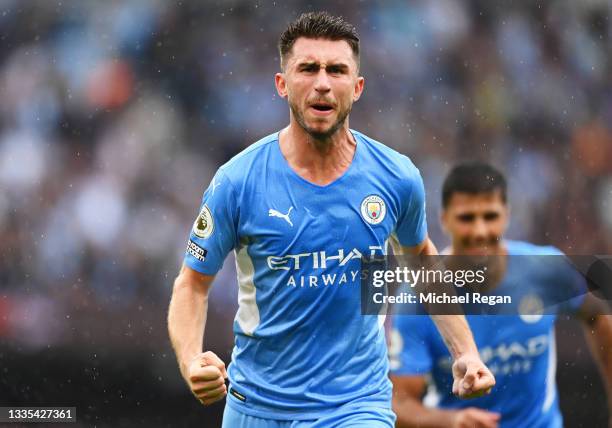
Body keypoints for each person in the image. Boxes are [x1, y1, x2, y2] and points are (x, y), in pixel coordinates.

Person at [168, 12, 494, 428]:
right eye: (308, 68)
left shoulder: (396, 177)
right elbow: (192, 283)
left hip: (356, 406)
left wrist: (465, 352)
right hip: (257, 405)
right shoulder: (237, 181)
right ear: (282, 84)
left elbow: (422, 261)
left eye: (337, 70)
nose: (322, 82)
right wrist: (190, 358)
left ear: (356, 88)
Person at [389, 162, 612, 428]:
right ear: (444, 218)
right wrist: (451, 421)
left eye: (490, 216)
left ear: (506, 215)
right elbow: (399, 404)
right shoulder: (417, 297)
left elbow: (599, 314)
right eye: (467, 218)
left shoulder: (546, 268)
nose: (480, 231)